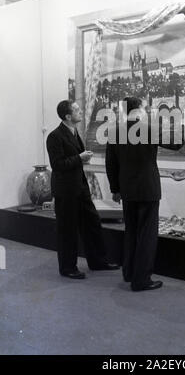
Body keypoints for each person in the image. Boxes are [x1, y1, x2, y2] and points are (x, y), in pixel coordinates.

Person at [105, 97, 184, 291]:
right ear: (140, 109)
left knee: (131, 231)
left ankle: (129, 272)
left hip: (127, 190)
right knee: (147, 235)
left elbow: (111, 164)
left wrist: (115, 189)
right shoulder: (150, 129)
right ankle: (141, 279)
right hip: (148, 189)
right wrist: (180, 122)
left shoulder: (115, 131)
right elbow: (178, 144)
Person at [46, 100, 119, 279]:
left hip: (80, 187)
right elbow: (57, 165)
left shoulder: (73, 131)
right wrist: (80, 157)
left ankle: (98, 262)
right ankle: (68, 268)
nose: (81, 111)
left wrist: (80, 159)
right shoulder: (54, 136)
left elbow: (69, 160)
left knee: (92, 224)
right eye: (77, 110)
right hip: (65, 191)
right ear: (68, 116)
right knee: (67, 230)